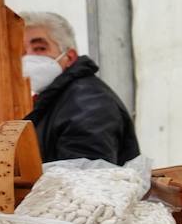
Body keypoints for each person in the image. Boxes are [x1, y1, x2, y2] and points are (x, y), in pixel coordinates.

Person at [20, 11, 140, 164]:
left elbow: (84, 176)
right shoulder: (54, 100)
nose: (28, 58)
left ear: (69, 57)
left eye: (40, 48)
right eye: (22, 52)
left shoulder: (87, 103)